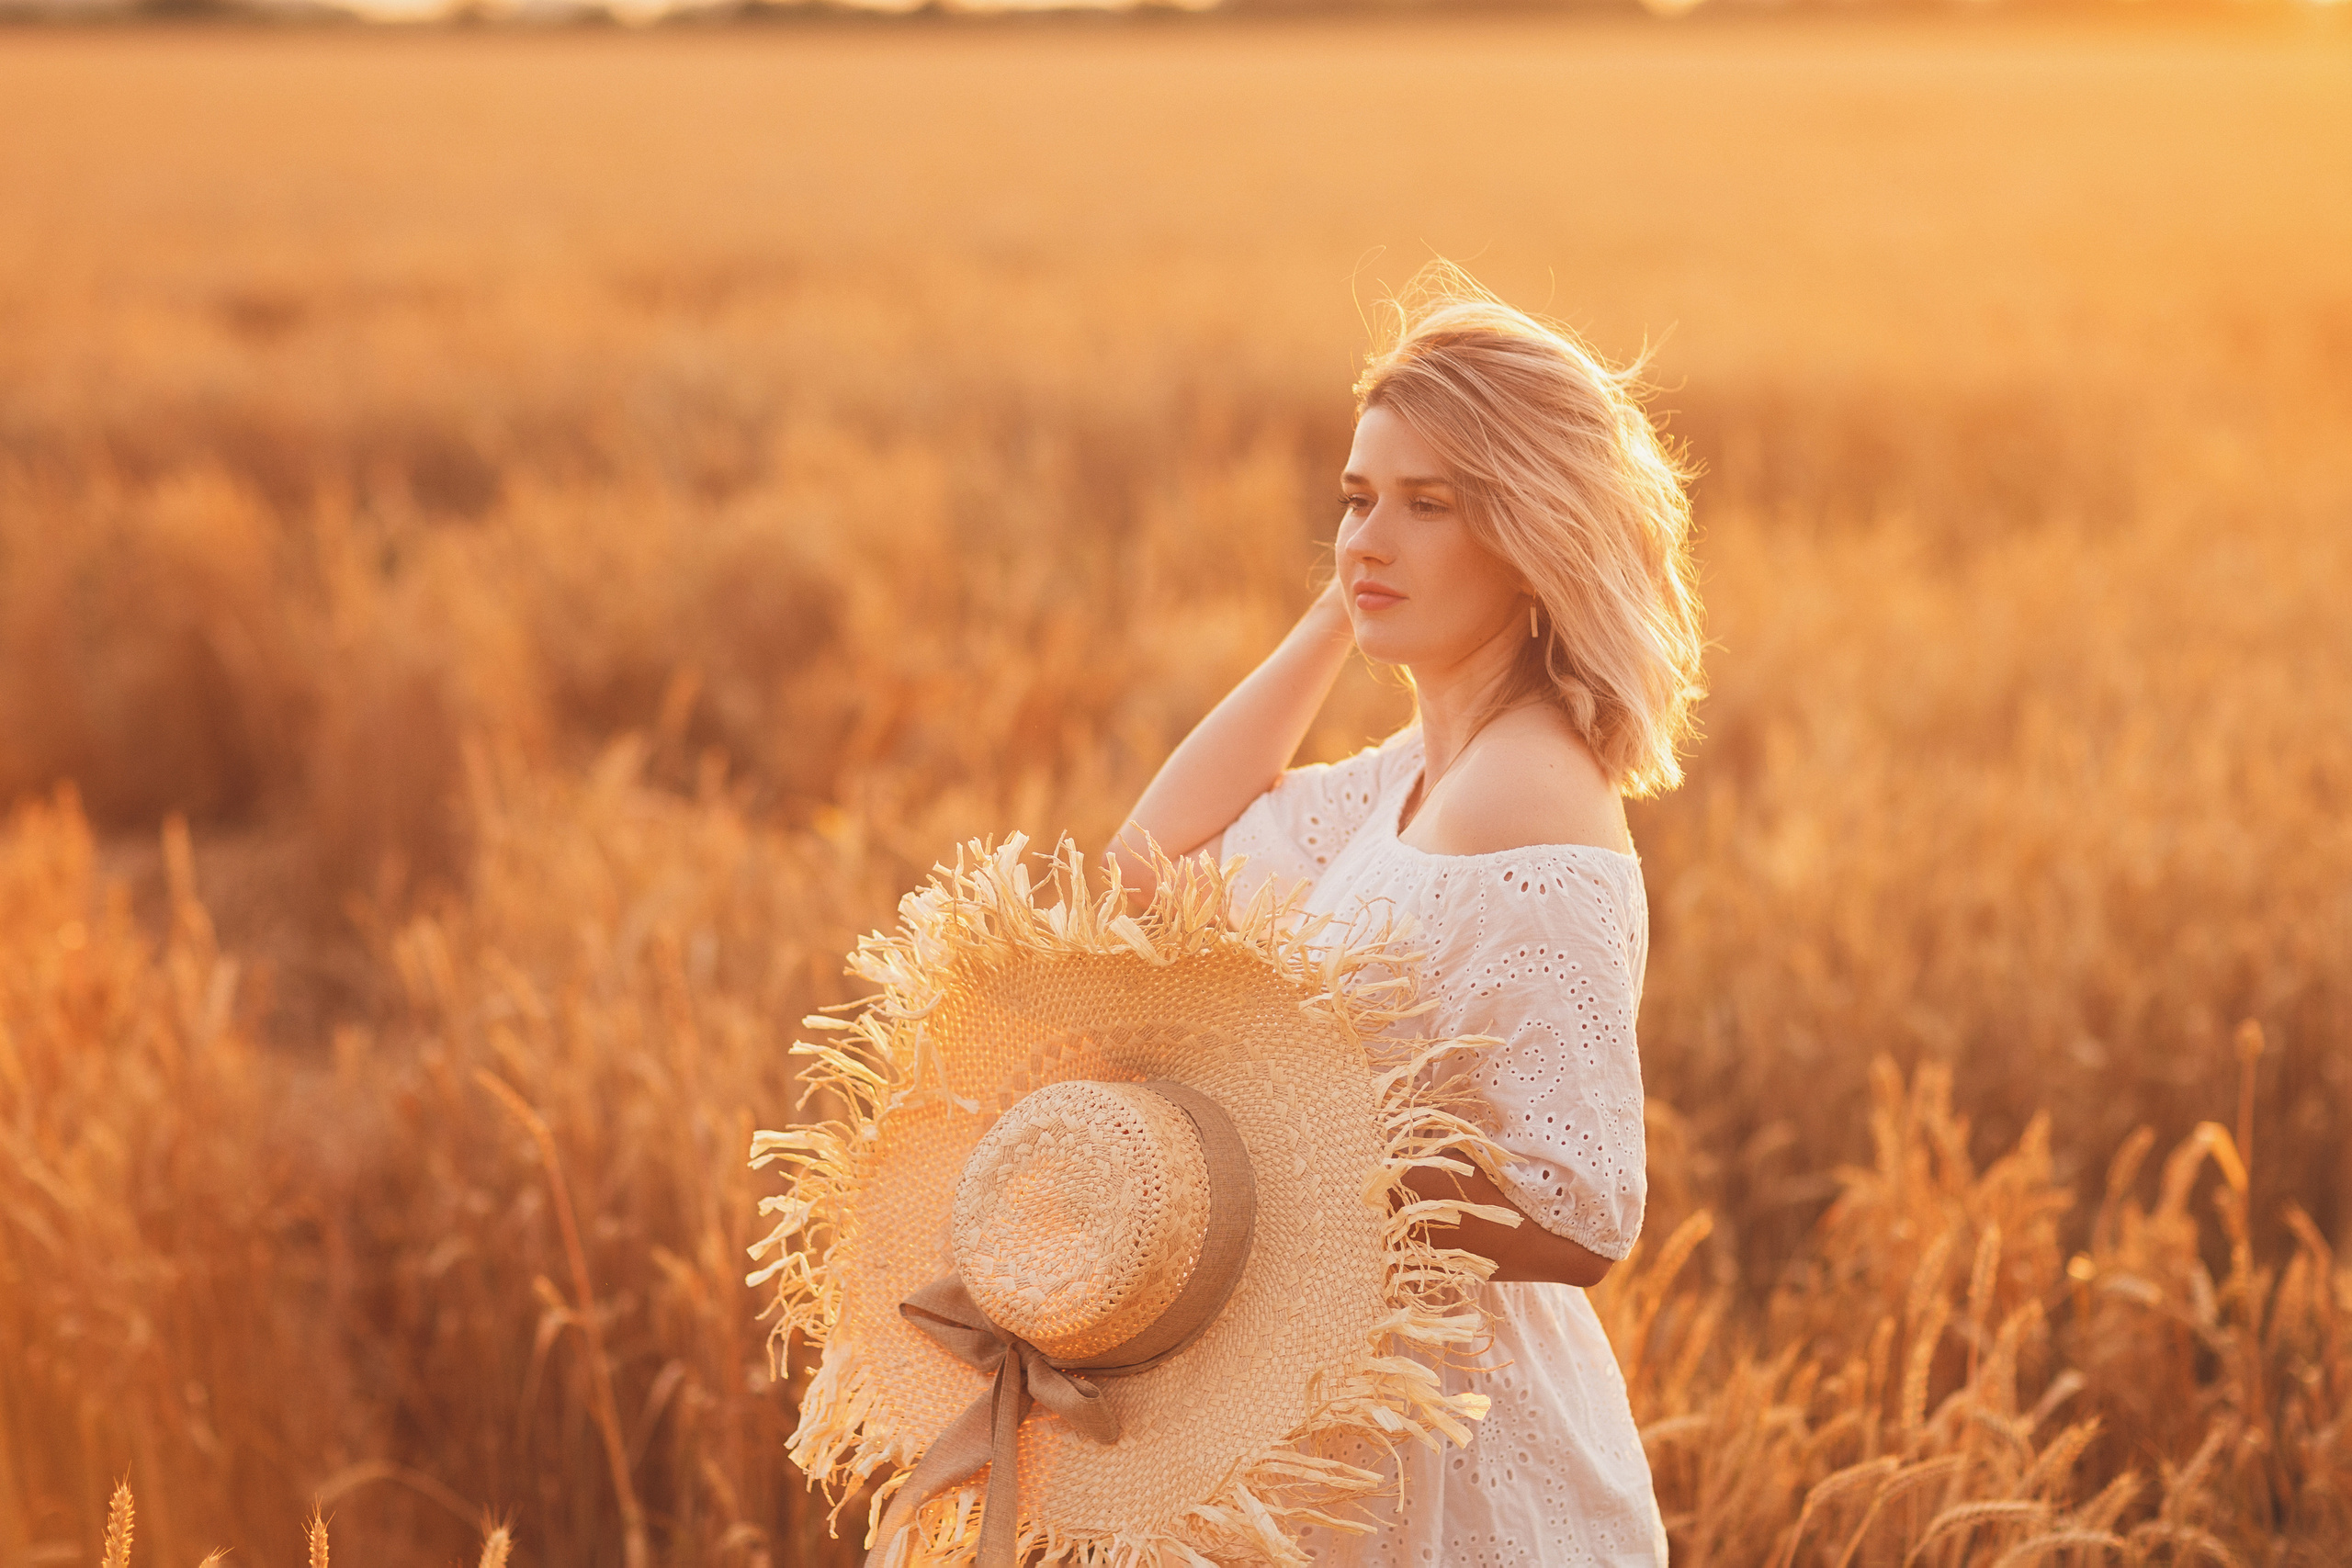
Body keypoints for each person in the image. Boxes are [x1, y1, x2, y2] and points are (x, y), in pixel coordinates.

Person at [1108, 264, 1704, 1567]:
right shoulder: (1416, 777)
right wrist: (1348, 600)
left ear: (1532, 532)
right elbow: (1149, 868)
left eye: (1429, 505)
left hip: (1456, 1468)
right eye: (1356, 500)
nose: (1370, 535)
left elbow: (1584, 1212)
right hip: (1346, 1436)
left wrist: (1272, 1162)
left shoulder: (1528, 794)